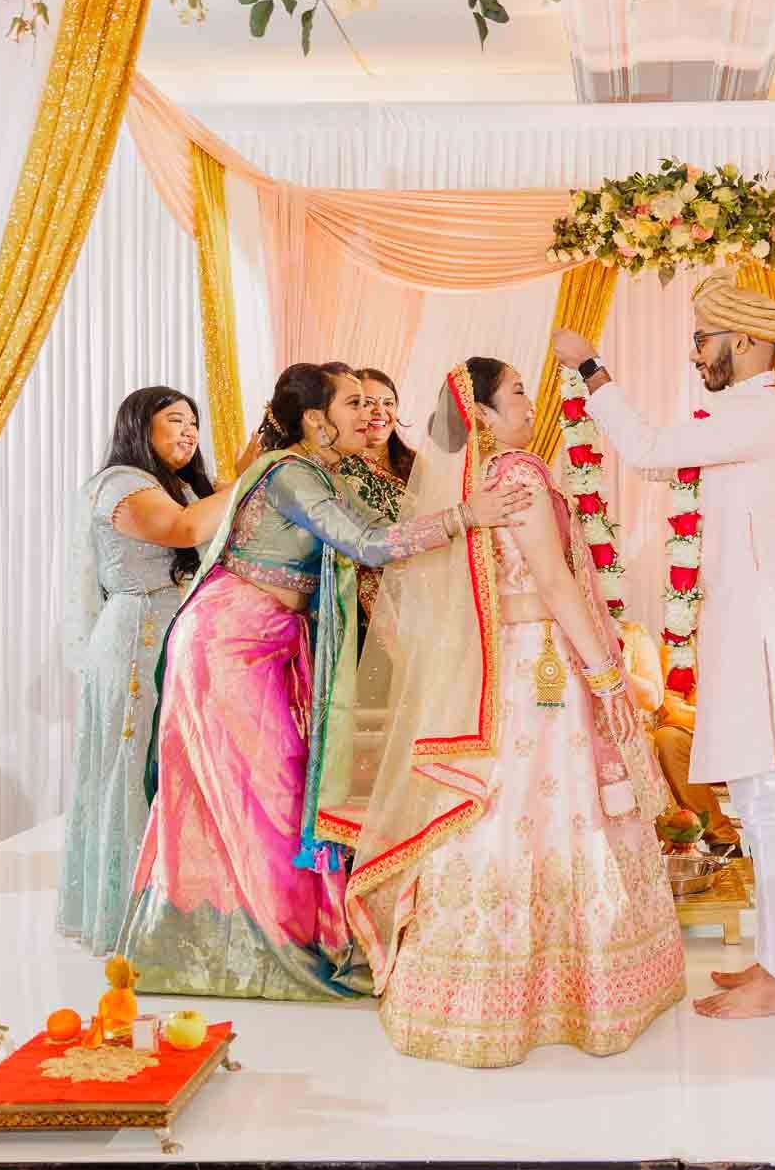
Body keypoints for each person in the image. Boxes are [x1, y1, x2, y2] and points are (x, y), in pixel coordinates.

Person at [116, 362, 531, 1001]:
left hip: (273, 640)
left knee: (276, 790)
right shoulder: (289, 472)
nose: (367, 415)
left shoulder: (321, 472)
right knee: (269, 793)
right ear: (316, 420)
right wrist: (465, 517)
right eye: (353, 403)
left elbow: (390, 525)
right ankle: (266, 947)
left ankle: (271, 939)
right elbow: (364, 543)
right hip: (229, 640)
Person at [346, 358, 684, 1067]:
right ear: (487, 417)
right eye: (519, 392)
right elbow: (556, 583)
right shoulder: (519, 477)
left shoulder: (481, 484)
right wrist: (607, 674)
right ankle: (577, 989)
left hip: (511, 667)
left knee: (511, 810)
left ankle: (485, 990)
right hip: (543, 670)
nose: (531, 401)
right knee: (554, 808)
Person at [551, 269, 775, 1020]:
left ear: (742, 340)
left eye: (703, 340)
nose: (696, 353)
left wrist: (589, 367)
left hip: (764, 633)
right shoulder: (743, 410)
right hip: (752, 624)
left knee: (767, 799)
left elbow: (646, 448)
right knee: (764, 798)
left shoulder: (763, 412)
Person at [60, 387, 232, 953]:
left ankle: (173, 912)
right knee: (135, 770)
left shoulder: (180, 488)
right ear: (140, 427)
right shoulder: (122, 484)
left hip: (175, 634)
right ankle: (131, 920)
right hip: (136, 639)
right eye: (174, 421)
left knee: (176, 771)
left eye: (193, 424)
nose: (188, 433)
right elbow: (182, 532)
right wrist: (251, 475)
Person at [623, 619, 738, 851]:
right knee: (667, 740)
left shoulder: (744, 639)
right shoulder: (676, 645)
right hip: (697, 735)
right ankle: (721, 837)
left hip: (746, 733)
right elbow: (671, 708)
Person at [336, 368, 414, 635]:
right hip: (362, 613)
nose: (380, 411)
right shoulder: (341, 469)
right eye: (369, 403)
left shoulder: (416, 465)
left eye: (388, 403)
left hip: (422, 596)